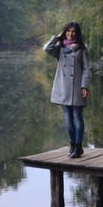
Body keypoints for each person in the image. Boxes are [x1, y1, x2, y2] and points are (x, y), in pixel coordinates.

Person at [43, 22, 91, 158]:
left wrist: (85, 86)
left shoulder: (82, 48)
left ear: (78, 33)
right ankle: (72, 145)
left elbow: (87, 70)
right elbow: (46, 48)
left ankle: (78, 146)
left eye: (74, 31)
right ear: (64, 32)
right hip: (63, 87)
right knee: (67, 118)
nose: (71, 34)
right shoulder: (60, 47)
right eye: (68, 31)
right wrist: (57, 38)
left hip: (77, 87)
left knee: (77, 117)